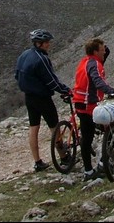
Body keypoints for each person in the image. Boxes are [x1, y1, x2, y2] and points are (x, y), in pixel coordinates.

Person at [15, 29, 72, 172]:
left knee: (33, 127)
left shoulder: (24, 55)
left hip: (29, 97)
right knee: (54, 127)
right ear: (39, 43)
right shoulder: (42, 58)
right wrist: (64, 90)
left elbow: (17, 75)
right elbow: (51, 80)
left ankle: (37, 161)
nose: (49, 45)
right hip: (42, 97)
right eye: (46, 42)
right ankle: (64, 157)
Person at [72, 37, 114, 181]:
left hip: (79, 102)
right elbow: (97, 81)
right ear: (95, 51)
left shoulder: (85, 61)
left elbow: (104, 54)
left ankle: (88, 171)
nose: (104, 53)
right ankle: (103, 163)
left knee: (86, 137)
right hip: (90, 104)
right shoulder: (94, 64)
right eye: (101, 50)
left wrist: (103, 48)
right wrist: (111, 91)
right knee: (112, 129)